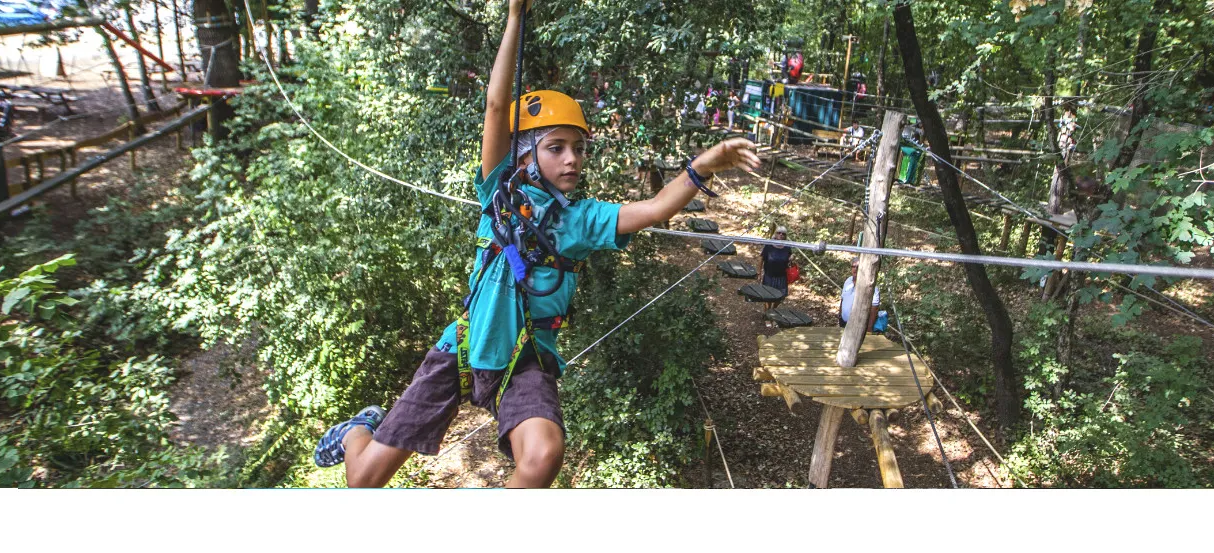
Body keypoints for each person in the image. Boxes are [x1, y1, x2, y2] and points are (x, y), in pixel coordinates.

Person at [311, 0, 761, 489]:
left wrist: (705, 163)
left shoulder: (581, 220)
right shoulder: (498, 191)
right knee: (362, 480)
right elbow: (495, 106)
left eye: (579, 148)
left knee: (543, 455)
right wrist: (513, 19)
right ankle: (360, 428)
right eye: (556, 147)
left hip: (525, 360)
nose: (572, 159)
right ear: (525, 154)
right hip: (461, 349)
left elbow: (653, 209)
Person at [838, 267, 888, 333]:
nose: (855, 269)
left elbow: (874, 308)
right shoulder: (848, 280)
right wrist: (840, 313)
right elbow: (843, 298)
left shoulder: (871, 286)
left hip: (859, 326)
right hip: (844, 322)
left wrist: (869, 329)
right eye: (853, 267)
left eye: (858, 267)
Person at [759, 227, 793, 310]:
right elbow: (761, 259)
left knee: (780, 297)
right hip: (769, 276)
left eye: (783, 234)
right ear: (775, 234)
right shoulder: (769, 246)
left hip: (782, 277)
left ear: (785, 236)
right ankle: (767, 315)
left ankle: (773, 312)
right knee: (768, 297)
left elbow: (789, 261)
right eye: (779, 233)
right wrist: (759, 272)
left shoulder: (787, 247)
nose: (781, 235)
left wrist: (791, 258)